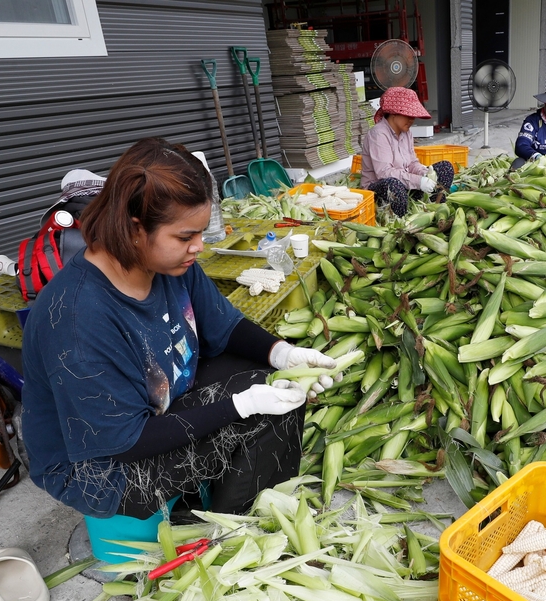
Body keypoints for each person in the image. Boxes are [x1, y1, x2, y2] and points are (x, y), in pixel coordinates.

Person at [21, 137, 339, 521]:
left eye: (200, 233)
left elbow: (225, 325)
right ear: (135, 228)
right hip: (100, 469)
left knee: (275, 380)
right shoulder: (78, 319)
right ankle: (224, 528)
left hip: (151, 409)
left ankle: (207, 503)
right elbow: (122, 442)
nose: (199, 247)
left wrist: (284, 353)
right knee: (265, 410)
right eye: (185, 237)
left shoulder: (166, 266)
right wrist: (241, 405)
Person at [360, 87, 454, 217]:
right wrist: (418, 181)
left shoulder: (406, 133)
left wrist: (425, 173)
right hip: (381, 190)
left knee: (445, 168)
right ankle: (401, 222)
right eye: (407, 115)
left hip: (405, 185)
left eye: (413, 116)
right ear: (393, 113)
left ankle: (435, 210)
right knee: (394, 185)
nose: (412, 120)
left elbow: (411, 164)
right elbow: (384, 173)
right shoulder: (378, 134)